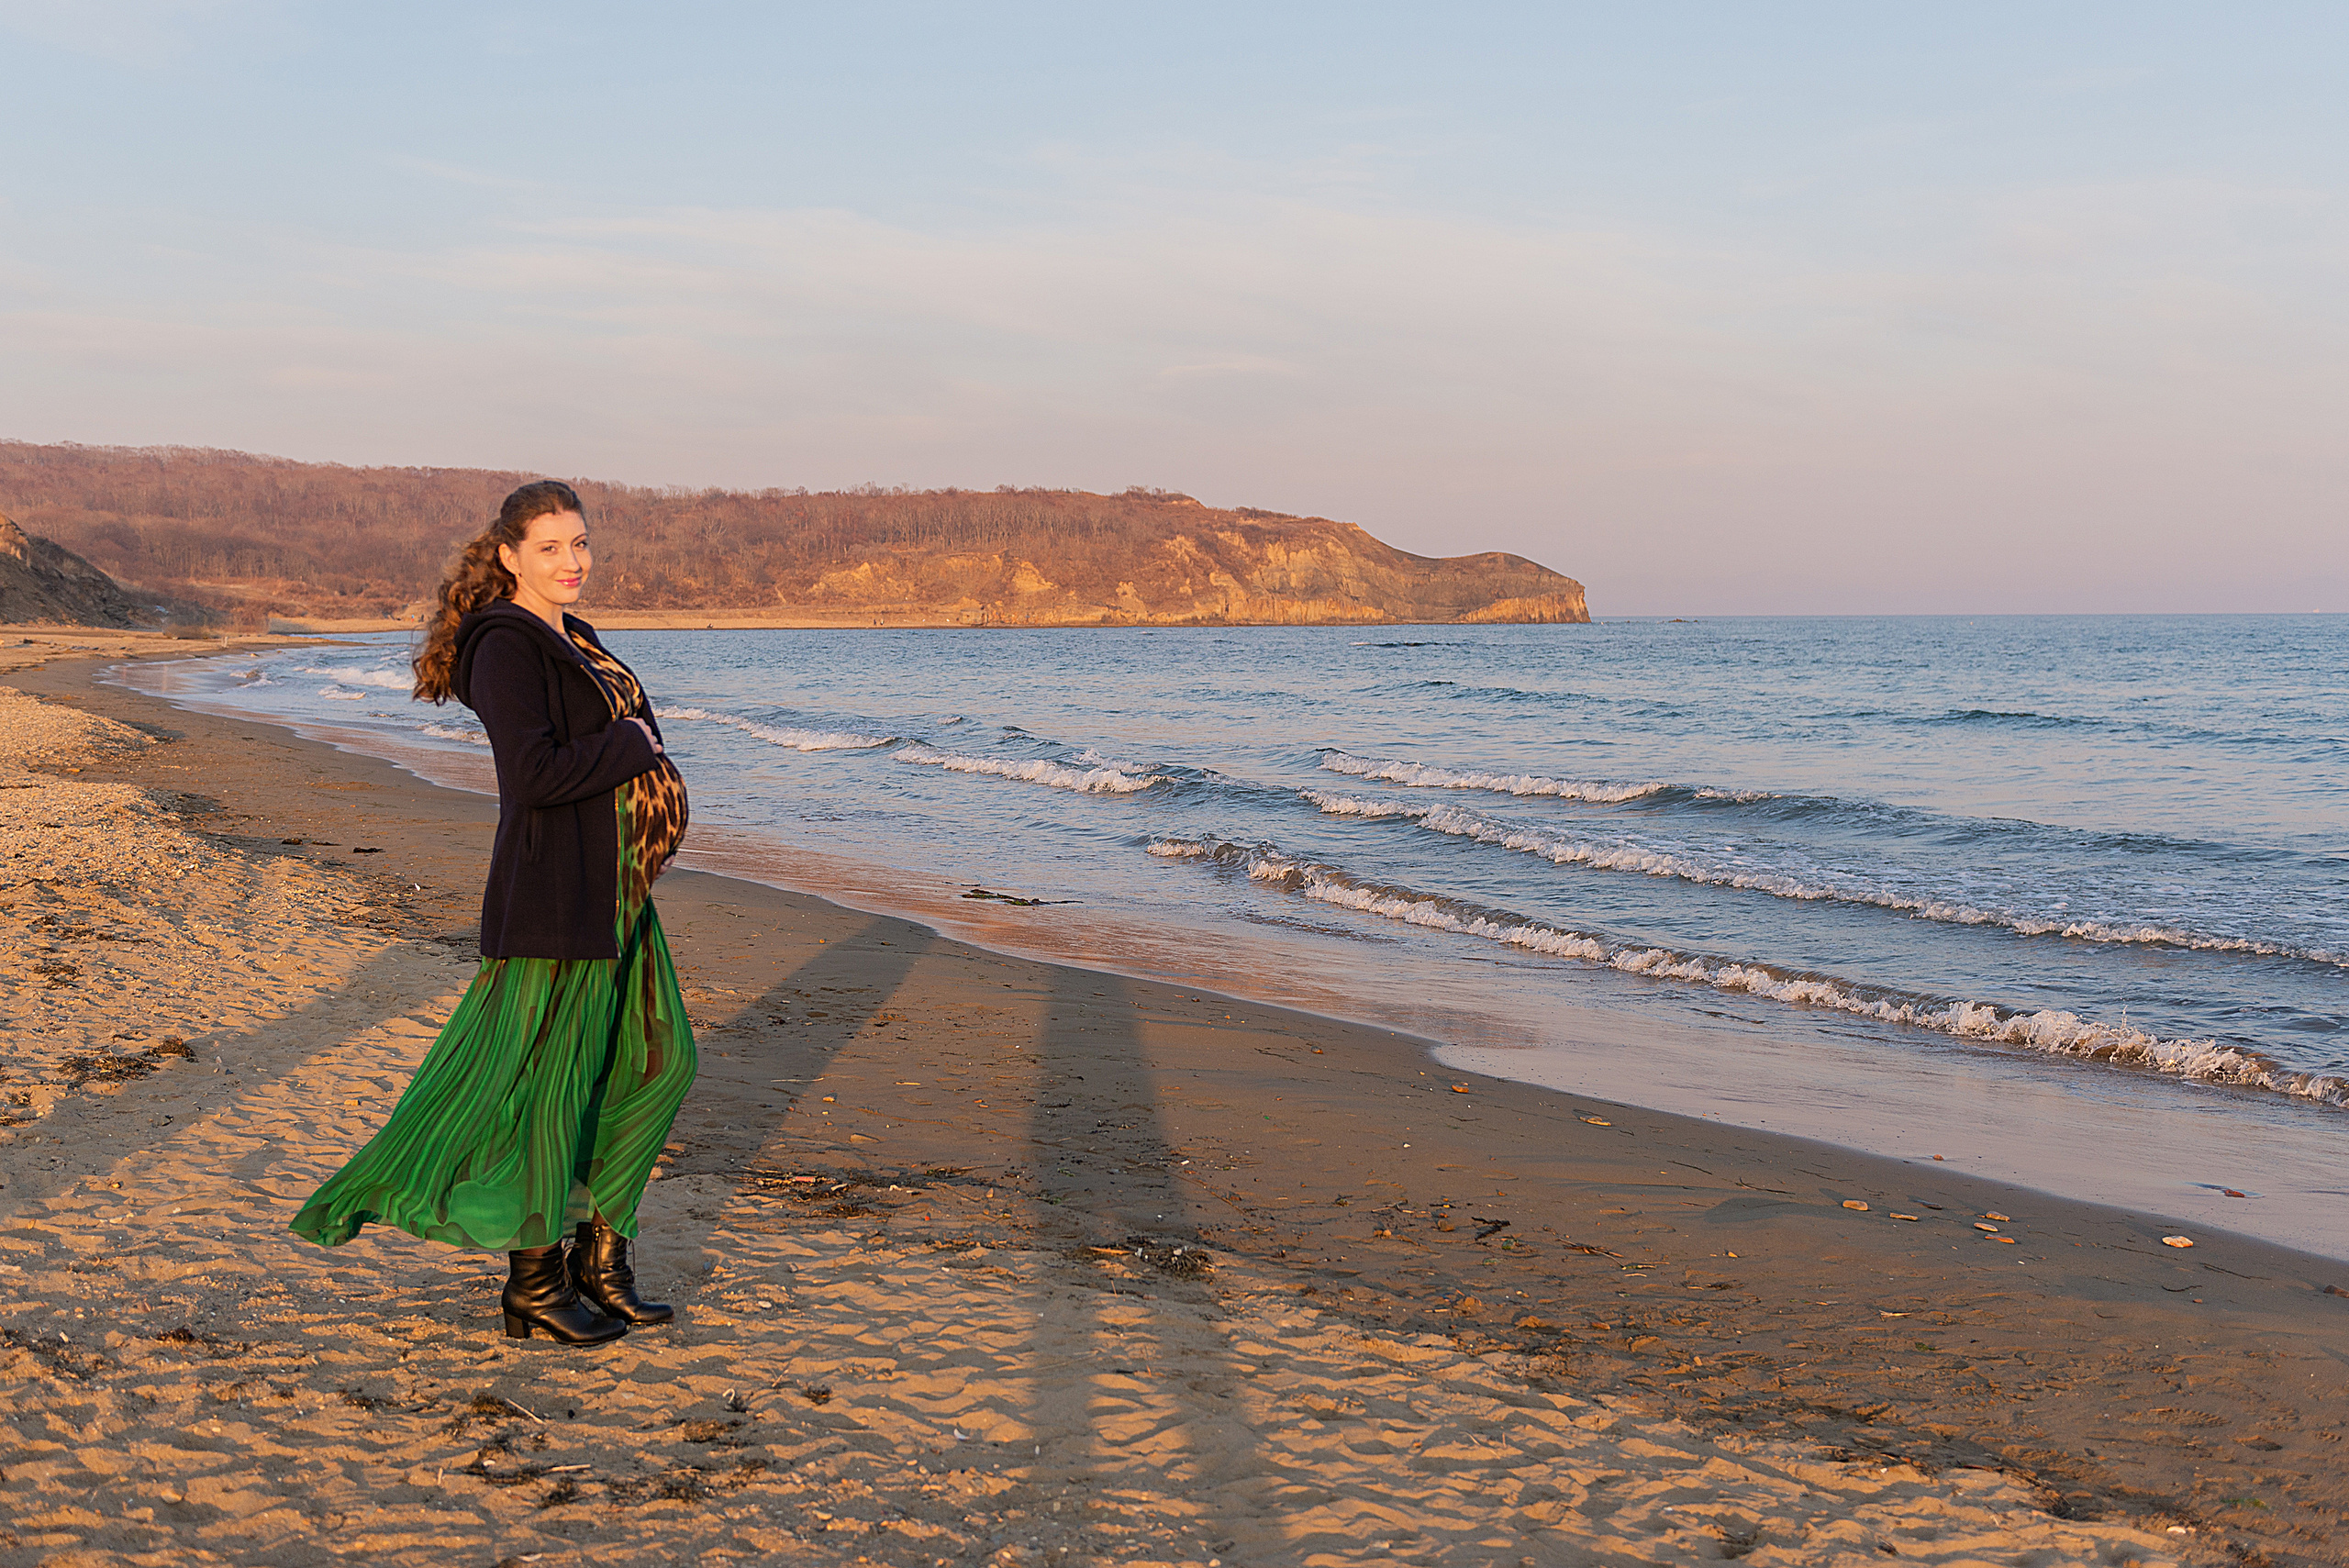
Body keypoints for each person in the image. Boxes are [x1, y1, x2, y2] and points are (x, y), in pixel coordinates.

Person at [291, 480, 696, 1346]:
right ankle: (535, 1282)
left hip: (616, 893)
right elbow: (535, 775)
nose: (573, 560)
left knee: (657, 1064)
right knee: (547, 1090)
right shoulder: (506, 645)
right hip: (558, 898)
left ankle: (601, 1260)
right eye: (551, 547)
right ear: (509, 554)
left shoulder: (573, 633)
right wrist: (632, 745)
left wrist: (643, 764)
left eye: (580, 542)